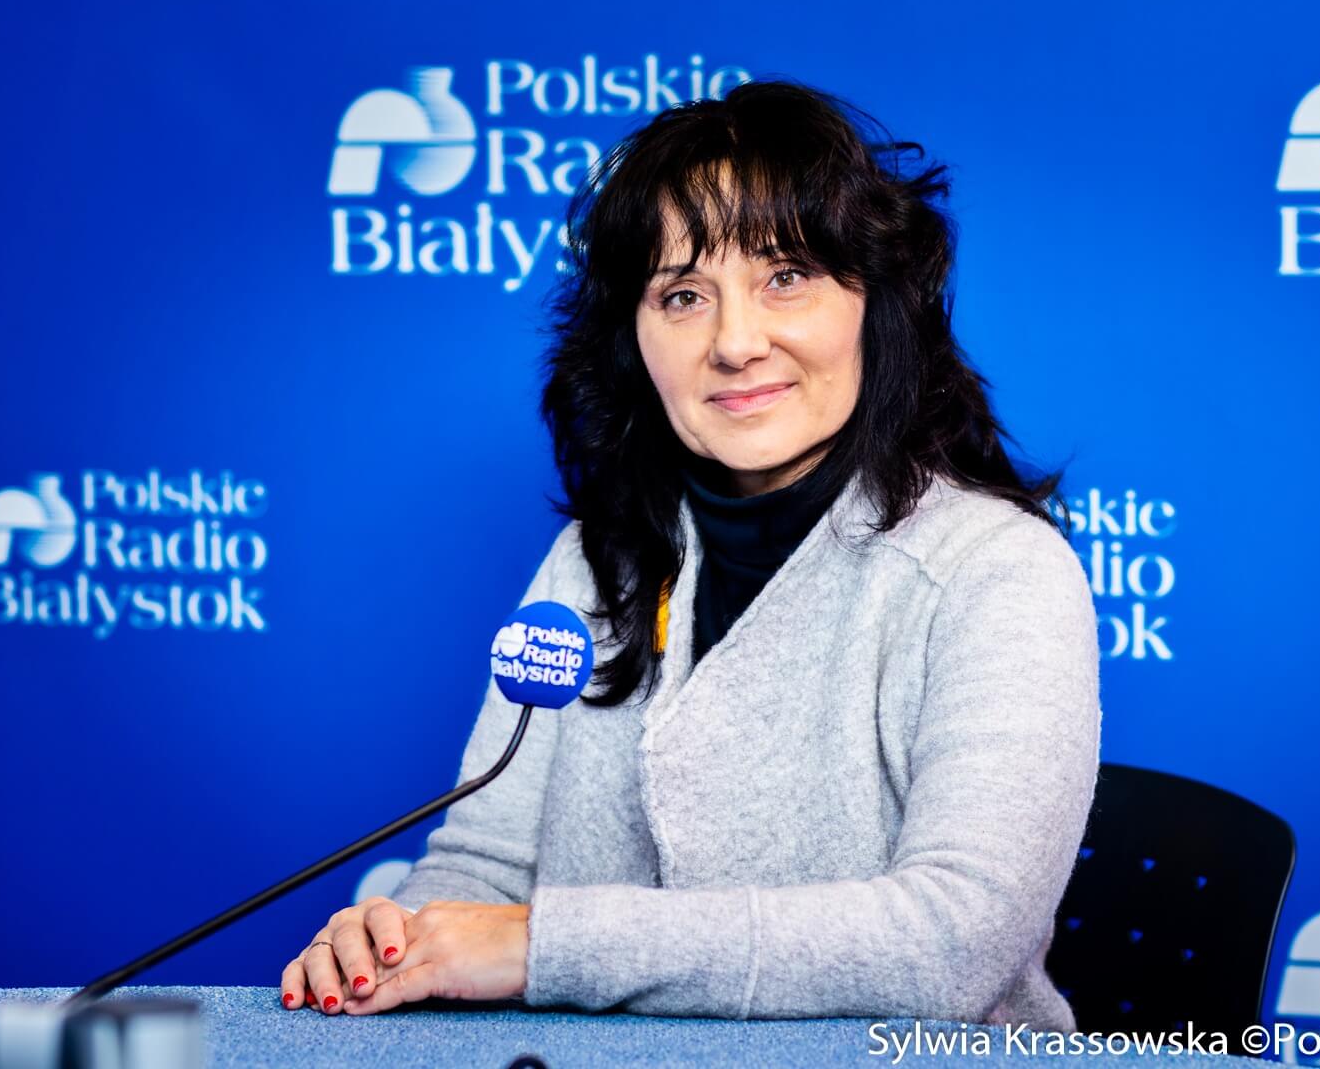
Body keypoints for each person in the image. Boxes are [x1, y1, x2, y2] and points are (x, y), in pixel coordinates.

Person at [278, 78, 1101, 1033]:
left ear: (874, 302)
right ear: (634, 340)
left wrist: (542, 946)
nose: (735, 343)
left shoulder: (997, 572)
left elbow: (951, 947)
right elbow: (485, 869)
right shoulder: (595, 559)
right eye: (682, 295)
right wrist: (396, 939)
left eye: (786, 276)